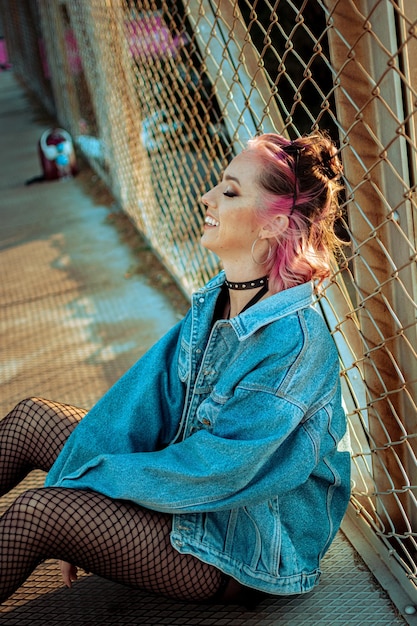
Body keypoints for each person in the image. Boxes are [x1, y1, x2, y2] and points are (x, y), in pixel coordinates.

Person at [0, 130, 350, 608]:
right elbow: (143, 405)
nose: (206, 197)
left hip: (244, 545)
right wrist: (83, 490)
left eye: (229, 192)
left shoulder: (295, 344)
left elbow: (218, 472)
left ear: (274, 225)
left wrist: (88, 493)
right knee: (30, 420)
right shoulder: (217, 300)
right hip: (187, 500)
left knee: (41, 513)